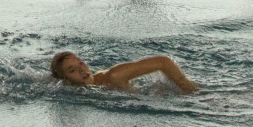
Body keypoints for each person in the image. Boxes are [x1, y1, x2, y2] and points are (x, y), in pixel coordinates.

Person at [50, 51, 198, 93]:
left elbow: (163, 62)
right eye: (73, 70)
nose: (82, 69)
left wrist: (190, 90)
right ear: (65, 81)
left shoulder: (112, 77)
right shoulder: (69, 89)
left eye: (81, 63)